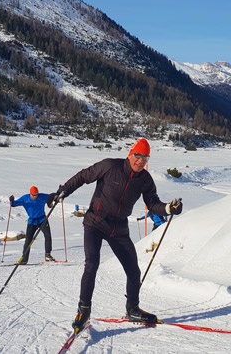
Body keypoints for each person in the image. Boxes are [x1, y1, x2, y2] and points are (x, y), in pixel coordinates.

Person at [48, 138, 183, 331]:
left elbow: (153, 203)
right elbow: (84, 176)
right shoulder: (110, 166)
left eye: (145, 159)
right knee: (92, 264)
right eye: (138, 156)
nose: (140, 162)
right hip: (95, 222)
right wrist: (62, 191)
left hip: (118, 229)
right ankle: (83, 310)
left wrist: (169, 208)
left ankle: (132, 309)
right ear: (130, 153)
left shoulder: (145, 180)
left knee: (133, 271)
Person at [9, 186, 55, 264]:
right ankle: (24, 259)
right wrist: (11, 200)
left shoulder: (41, 197)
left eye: (36, 195)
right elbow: (13, 204)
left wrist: (57, 195)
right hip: (32, 222)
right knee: (28, 240)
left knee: (48, 236)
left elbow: (51, 197)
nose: (35, 196)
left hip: (42, 220)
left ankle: (48, 255)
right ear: (30, 194)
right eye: (33, 195)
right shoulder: (25, 198)